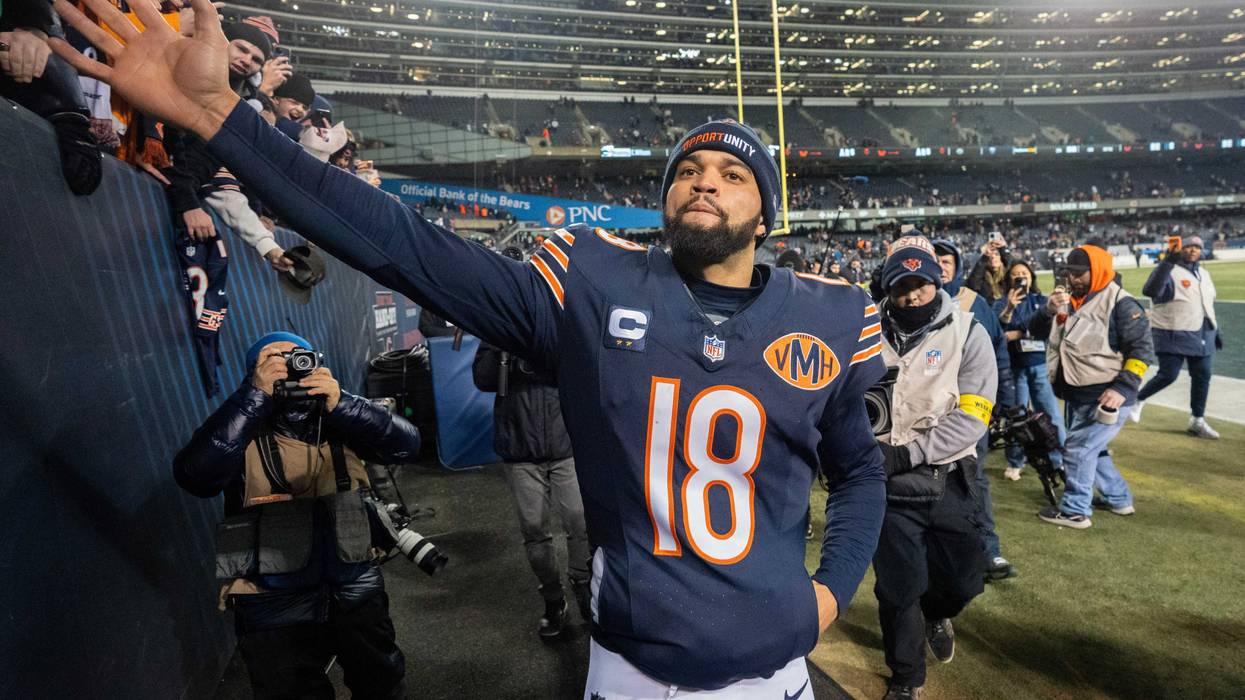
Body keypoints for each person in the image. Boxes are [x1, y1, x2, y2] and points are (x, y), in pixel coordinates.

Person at [54, 6, 890, 695]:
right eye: (688, 168)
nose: (705, 180)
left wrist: (827, 593)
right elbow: (407, 248)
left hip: (776, 670)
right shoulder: (595, 281)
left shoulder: (830, 315)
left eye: (733, 174)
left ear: (766, 214)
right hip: (634, 667)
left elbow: (858, 471)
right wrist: (221, 121)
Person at [172, 332, 420, 699]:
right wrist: (254, 397)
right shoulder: (242, 423)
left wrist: (343, 402)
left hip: (354, 586)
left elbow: (407, 445)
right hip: (271, 600)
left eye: (298, 357)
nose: (289, 366)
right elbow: (195, 475)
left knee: (382, 685)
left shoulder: (337, 414)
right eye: (275, 359)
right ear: (253, 372)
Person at [872, 236, 996, 700]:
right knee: (898, 588)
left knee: (965, 581)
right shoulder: (864, 332)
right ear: (887, 288)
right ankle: (906, 678)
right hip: (887, 484)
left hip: (948, 479)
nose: (912, 295)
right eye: (901, 286)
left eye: (920, 283)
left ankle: (938, 610)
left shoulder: (969, 331)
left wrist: (908, 453)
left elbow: (973, 417)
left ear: (937, 279)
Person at [472, 330, 592, 641]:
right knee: (534, 531)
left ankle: (585, 593)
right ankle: (554, 601)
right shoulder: (498, 328)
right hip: (520, 449)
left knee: (580, 524)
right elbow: (483, 379)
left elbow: (585, 372)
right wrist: (504, 346)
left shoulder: (557, 325)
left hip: (565, 444)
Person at [1029, 246, 1156, 528]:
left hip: (1106, 396)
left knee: (1077, 449)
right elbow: (1035, 331)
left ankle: (1075, 510)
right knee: (1092, 449)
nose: (1072, 279)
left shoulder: (1122, 304)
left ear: (1097, 270)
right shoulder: (1071, 299)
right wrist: (1047, 311)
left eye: (1078, 274)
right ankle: (1118, 498)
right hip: (1077, 393)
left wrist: (1122, 389)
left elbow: (1142, 351)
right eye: (1069, 273)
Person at [931, 239, 1015, 582]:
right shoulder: (905, 299)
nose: (941, 264)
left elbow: (998, 355)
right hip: (921, 411)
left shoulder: (973, 303)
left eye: (946, 260)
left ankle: (988, 549)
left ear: (957, 266)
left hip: (966, 411)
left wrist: (1005, 399)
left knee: (973, 478)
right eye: (934, 258)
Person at [1133, 235, 1222, 439]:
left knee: (1203, 376)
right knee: (1168, 374)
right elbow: (1150, 290)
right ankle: (1138, 399)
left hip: (1202, 333)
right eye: (1189, 246)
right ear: (1180, 248)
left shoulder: (1204, 273)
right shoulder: (1169, 270)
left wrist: (1216, 330)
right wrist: (1168, 262)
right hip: (1173, 331)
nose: (1193, 251)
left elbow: (1208, 304)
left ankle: (1197, 420)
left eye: (1197, 247)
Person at [995, 261, 1064, 481]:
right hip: (1014, 369)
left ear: (1032, 277)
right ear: (1008, 279)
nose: (1020, 278)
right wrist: (1009, 310)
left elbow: (1046, 327)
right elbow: (999, 333)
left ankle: (1059, 458)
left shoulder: (1042, 301)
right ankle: (1016, 460)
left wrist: (1019, 332)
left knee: (1051, 415)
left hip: (1039, 365)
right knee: (1017, 419)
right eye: (1015, 275)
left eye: (1024, 274)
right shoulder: (1001, 303)